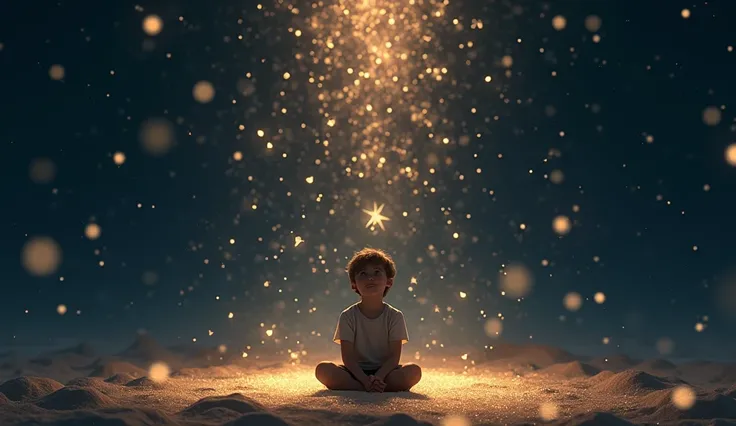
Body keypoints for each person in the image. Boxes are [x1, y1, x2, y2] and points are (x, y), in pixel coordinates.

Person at [315, 248, 422, 392]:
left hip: (386, 373)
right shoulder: (347, 316)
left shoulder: (395, 316)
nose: (370, 278)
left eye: (377, 272)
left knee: (414, 371)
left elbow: (393, 358)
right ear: (354, 284)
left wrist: (378, 377)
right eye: (363, 274)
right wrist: (364, 380)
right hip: (354, 373)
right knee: (323, 369)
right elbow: (348, 358)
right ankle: (367, 387)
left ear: (388, 282)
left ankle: (371, 386)